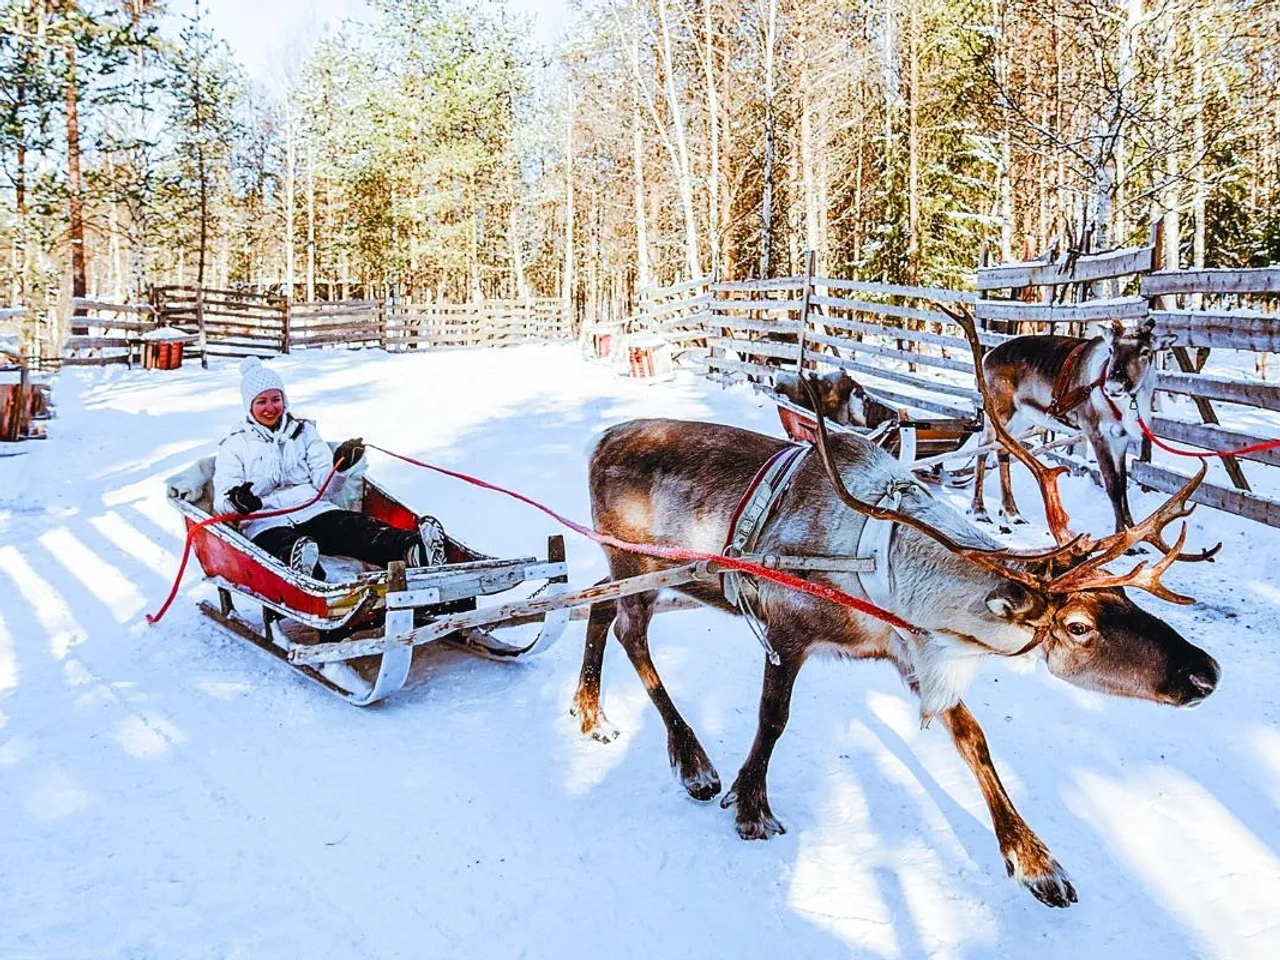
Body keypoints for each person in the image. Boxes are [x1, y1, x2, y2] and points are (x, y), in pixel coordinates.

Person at [213, 357, 446, 579]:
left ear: (284, 400)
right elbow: (222, 500)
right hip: (265, 519)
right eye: (261, 402)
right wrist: (239, 502)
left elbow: (326, 487)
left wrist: (340, 467)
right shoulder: (235, 445)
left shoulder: (304, 433)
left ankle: (413, 550)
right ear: (249, 406)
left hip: (312, 508)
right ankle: (305, 569)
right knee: (278, 545)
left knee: (355, 528)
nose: (270, 408)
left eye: (276, 399)